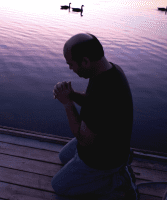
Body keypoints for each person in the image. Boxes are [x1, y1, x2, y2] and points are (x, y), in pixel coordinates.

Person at [51, 33, 138, 199]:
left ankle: (117, 180)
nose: (70, 69)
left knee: (59, 186)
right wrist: (72, 95)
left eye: (71, 64)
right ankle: (121, 163)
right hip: (109, 141)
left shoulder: (104, 92)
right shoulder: (108, 70)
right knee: (63, 157)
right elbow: (93, 102)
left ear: (85, 61)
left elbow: (84, 139)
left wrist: (67, 104)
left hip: (104, 158)